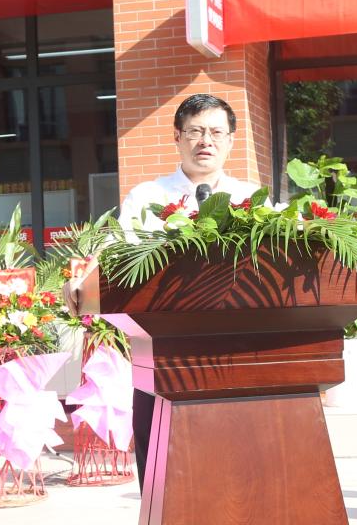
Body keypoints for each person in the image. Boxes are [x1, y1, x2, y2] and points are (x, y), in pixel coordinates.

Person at [117, 93, 261, 492]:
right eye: (195, 131)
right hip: (163, 348)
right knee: (164, 467)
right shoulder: (147, 197)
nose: (206, 141)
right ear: (177, 137)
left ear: (231, 140)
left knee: (234, 466)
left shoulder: (252, 199)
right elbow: (121, 259)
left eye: (216, 132)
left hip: (236, 347)